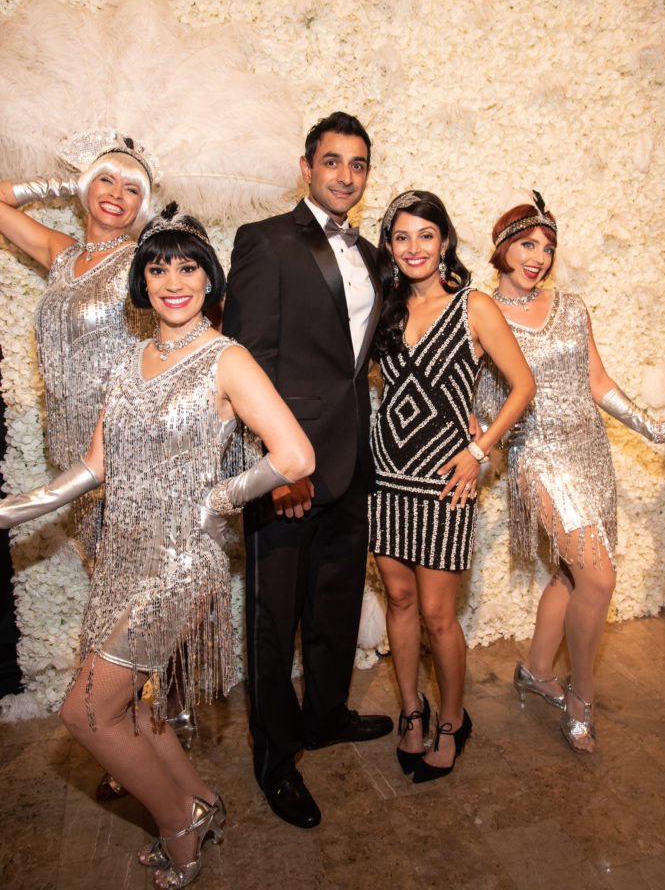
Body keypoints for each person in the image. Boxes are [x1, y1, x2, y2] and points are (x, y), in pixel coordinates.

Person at [0, 204, 314, 889]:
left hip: (180, 563)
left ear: (210, 280)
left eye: (189, 266)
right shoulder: (128, 362)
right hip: (120, 558)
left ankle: (177, 822)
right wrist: (11, 509)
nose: (173, 279)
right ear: (142, 281)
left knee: (83, 711)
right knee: (133, 706)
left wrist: (222, 497)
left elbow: (295, 454)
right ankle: (198, 797)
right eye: (158, 265)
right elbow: (93, 470)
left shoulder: (226, 359)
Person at [223, 111, 392, 829]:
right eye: (333, 162)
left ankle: (325, 715)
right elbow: (249, 361)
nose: (345, 176)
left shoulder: (376, 255)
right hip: (287, 467)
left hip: (353, 461)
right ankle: (275, 758)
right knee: (273, 616)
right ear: (307, 166)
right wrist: (276, 467)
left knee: (333, 602)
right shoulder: (265, 242)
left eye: (357, 164)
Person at [476, 188, 665, 753]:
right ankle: (581, 696)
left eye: (547, 246)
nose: (538, 256)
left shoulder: (572, 308)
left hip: (592, 453)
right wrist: (474, 443)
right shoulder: (482, 313)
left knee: (572, 574)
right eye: (526, 244)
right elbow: (470, 396)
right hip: (537, 457)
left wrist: (652, 426)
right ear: (502, 250)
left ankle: (536, 668)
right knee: (599, 577)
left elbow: (597, 381)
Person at [369, 190, 535, 782]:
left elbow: (522, 386)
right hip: (385, 473)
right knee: (401, 600)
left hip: (444, 478)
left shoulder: (474, 306)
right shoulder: (382, 307)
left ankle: (452, 719)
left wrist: (478, 450)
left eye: (426, 235)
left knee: (440, 614)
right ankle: (411, 708)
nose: (414, 247)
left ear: (444, 243)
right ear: (390, 246)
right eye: (402, 236)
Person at [0, 135, 155, 557]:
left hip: (124, 443)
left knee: (139, 579)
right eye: (106, 182)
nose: (116, 196)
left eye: (131, 189)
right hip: (71, 448)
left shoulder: (144, 261)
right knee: (104, 569)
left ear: (142, 205)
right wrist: (70, 183)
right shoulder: (63, 254)